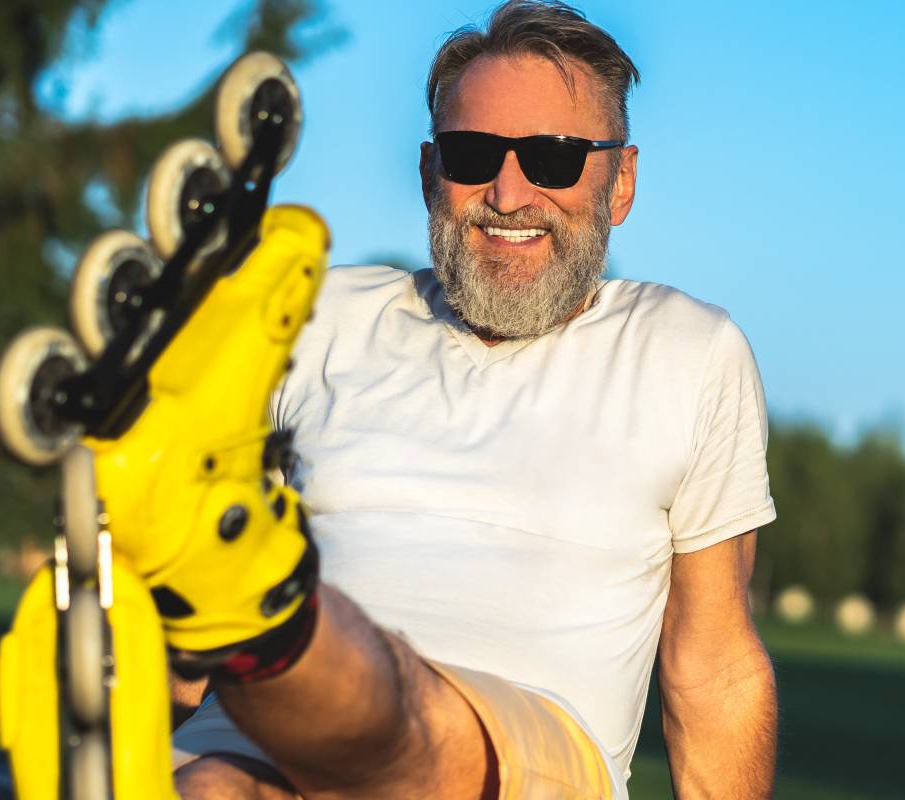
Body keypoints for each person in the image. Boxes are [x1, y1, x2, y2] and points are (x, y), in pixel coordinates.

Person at [167, 2, 779, 797]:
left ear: (620, 181)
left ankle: (293, 652)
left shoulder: (686, 353)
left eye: (554, 159)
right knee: (212, 785)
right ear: (430, 173)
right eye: (472, 154)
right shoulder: (314, 318)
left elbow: (715, 671)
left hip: (525, 759)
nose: (508, 190)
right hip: (255, 741)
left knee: (400, 710)